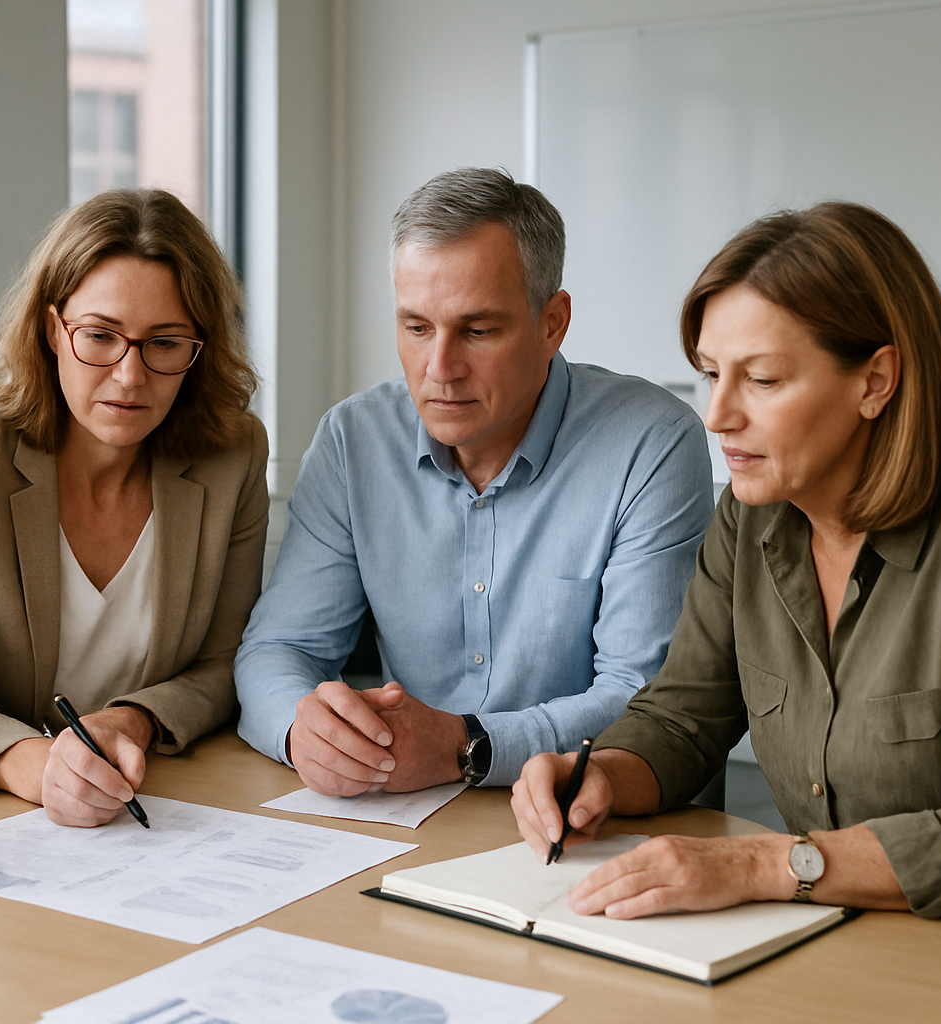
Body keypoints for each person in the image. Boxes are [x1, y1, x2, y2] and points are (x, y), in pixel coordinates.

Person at [510, 202, 941, 931]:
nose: (717, 415)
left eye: (761, 380)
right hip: (828, 937)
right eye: (710, 374)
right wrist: (598, 774)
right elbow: (684, 719)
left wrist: (760, 865)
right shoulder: (750, 515)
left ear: (875, 381)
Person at [234, 167, 714, 796]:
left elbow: (645, 701)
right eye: (416, 328)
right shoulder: (354, 441)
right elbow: (278, 648)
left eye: (478, 330)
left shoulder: (652, 441)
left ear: (552, 323)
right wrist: (306, 731)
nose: (440, 369)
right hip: (409, 811)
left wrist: (466, 745)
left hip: (593, 814)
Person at [0, 188, 267, 827]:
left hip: (168, 800)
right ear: (51, 329)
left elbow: (224, 665)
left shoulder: (234, 454)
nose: (130, 376)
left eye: (165, 343)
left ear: (198, 349)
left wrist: (134, 720)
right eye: (99, 336)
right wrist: (39, 766)